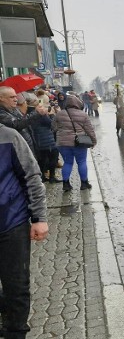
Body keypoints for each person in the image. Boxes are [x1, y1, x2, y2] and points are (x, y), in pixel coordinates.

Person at [0, 123, 49, 339]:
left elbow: (31, 176)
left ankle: (16, 331)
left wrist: (39, 218)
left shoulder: (9, 137)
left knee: (16, 283)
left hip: (11, 222)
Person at [52, 94, 97, 191]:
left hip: (62, 143)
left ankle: (66, 184)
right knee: (81, 162)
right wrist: (93, 141)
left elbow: (54, 128)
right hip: (79, 142)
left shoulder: (59, 114)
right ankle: (84, 184)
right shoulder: (83, 114)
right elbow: (90, 130)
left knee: (67, 163)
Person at [0, 86, 47, 153]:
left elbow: (25, 122)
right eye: (12, 97)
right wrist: (36, 113)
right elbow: (16, 124)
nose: (16, 99)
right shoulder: (2, 113)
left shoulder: (13, 109)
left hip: (26, 148)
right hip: (18, 152)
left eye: (16, 97)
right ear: (1, 98)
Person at [31, 97, 61, 183]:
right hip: (47, 141)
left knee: (43, 160)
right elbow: (51, 125)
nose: (42, 108)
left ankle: (43, 177)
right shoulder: (41, 116)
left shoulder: (31, 115)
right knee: (53, 158)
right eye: (40, 106)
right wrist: (51, 114)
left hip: (40, 141)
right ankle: (52, 177)